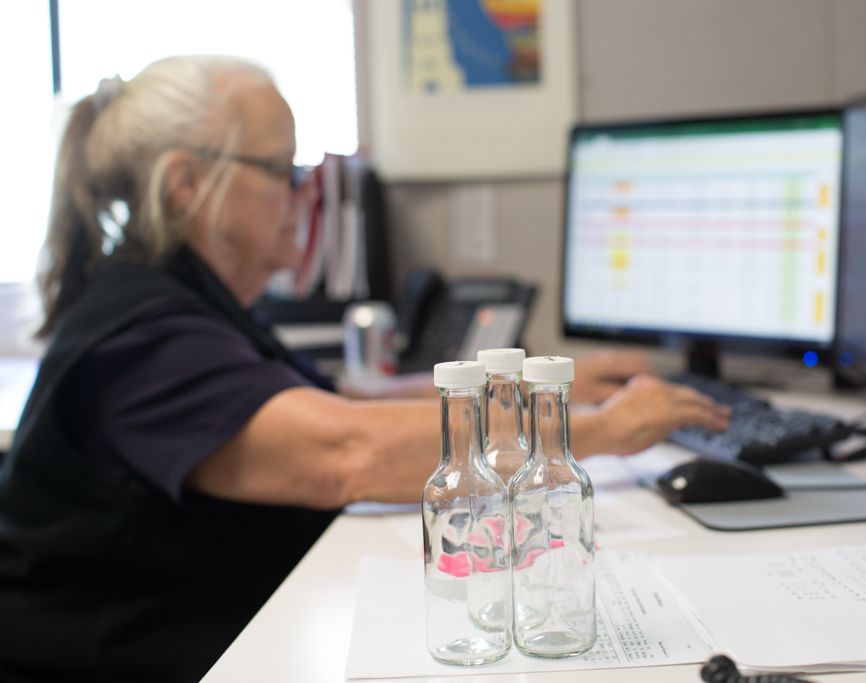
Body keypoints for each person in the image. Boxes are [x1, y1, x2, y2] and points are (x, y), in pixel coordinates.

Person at [0, 56, 729, 683]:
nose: (307, 193)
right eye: (285, 169)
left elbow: (350, 397)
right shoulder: (145, 339)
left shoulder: (194, 305)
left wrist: (531, 385)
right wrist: (585, 429)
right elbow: (343, 450)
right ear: (188, 183)